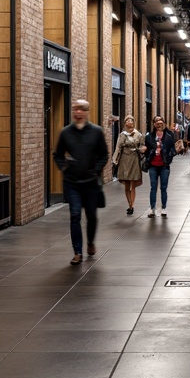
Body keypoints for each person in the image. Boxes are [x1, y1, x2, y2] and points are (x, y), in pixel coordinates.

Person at [53, 99, 108, 265]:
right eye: (75, 109)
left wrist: (96, 170)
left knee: (91, 216)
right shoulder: (66, 132)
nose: (78, 112)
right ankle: (77, 252)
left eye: (82, 109)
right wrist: (64, 168)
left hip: (90, 182)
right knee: (75, 215)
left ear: (87, 112)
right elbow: (57, 154)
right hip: (72, 182)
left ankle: (90, 242)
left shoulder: (96, 132)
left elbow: (104, 155)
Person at [143, 115, 178, 217]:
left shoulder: (169, 135)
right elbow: (147, 149)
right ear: (154, 124)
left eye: (161, 121)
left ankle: (163, 208)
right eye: (157, 121)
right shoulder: (149, 136)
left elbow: (172, 149)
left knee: (163, 187)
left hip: (164, 165)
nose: (159, 123)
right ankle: (152, 208)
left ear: (163, 122)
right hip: (153, 165)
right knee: (153, 187)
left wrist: (170, 156)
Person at [111, 115, 145, 215]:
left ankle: (132, 205)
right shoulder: (122, 135)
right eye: (127, 120)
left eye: (131, 120)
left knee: (133, 184)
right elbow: (118, 147)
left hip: (134, 159)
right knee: (127, 185)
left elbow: (142, 146)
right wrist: (115, 159)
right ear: (125, 123)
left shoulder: (138, 135)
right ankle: (129, 203)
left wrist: (142, 151)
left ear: (134, 122)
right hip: (124, 159)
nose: (129, 122)